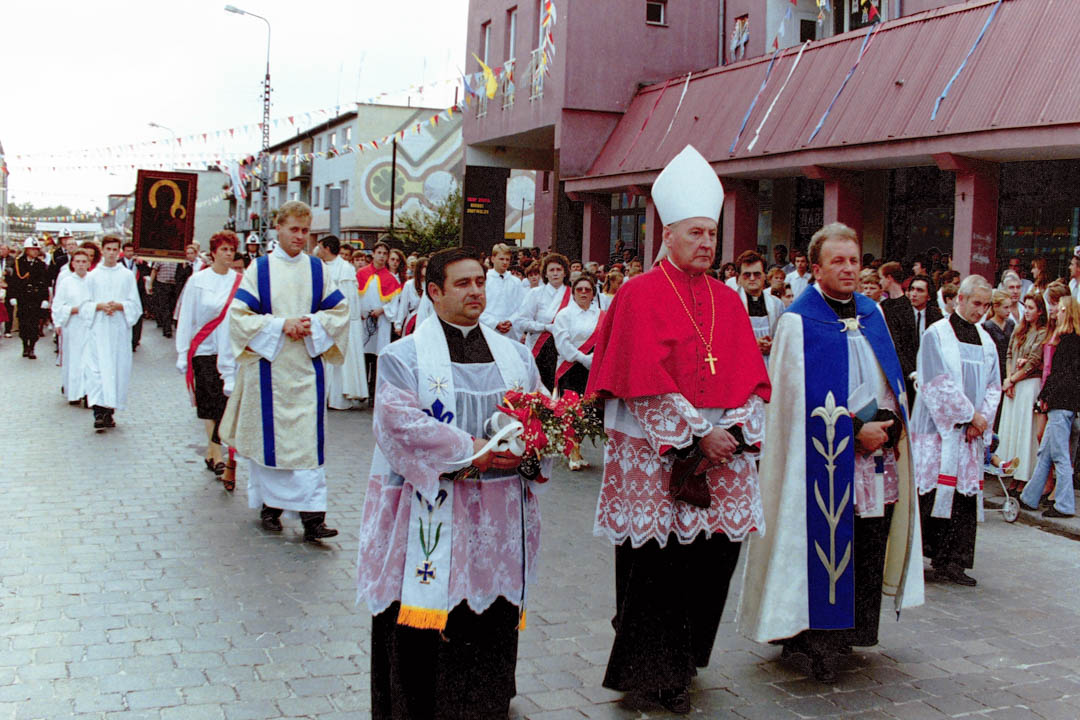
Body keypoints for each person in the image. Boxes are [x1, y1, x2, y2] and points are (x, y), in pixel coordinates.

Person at [586, 146, 771, 713]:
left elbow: (753, 381)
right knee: (657, 566)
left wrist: (734, 433)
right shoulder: (639, 293)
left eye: (712, 234)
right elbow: (639, 379)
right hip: (656, 454)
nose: (707, 243)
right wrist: (695, 437)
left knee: (712, 560)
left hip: (722, 456)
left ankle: (685, 658)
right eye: (696, 233)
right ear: (667, 235)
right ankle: (653, 673)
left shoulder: (728, 300)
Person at [356, 247, 550, 720]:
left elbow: (541, 411)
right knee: (426, 629)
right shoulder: (403, 356)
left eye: (480, 282)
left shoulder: (516, 355)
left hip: (497, 520)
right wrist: (473, 451)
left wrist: (526, 446)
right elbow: (398, 424)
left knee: (488, 623)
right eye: (463, 284)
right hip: (429, 513)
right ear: (434, 292)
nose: (476, 292)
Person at [739, 223, 923, 684]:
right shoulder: (798, 322)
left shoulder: (872, 313)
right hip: (819, 464)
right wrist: (855, 430)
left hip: (873, 460)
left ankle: (851, 631)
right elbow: (793, 406)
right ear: (816, 269)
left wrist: (888, 423)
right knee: (819, 542)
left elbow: (890, 381)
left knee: (866, 541)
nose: (848, 269)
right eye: (837, 261)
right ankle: (814, 641)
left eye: (854, 260)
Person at [218, 201, 349, 542]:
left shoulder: (317, 269)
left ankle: (313, 518)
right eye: (294, 229)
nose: (300, 237)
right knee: (270, 443)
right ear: (278, 228)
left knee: (307, 445)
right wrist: (280, 326)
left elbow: (340, 311)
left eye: (305, 231)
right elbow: (239, 317)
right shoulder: (259, 269)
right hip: (269, 370)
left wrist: (312, 324)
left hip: (306, 370)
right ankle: (270, 508)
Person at [911, 275, 1000, 587]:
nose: (981, 311)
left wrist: (981, 420)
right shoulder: (936, 334)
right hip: (939, 431)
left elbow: (994, 386)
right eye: (976, 303)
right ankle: (918, 556)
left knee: (962, 497)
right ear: (960, 299)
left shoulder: (986, 341)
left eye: (986, 305)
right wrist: (969, 415)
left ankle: (953, 561)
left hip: (969, 435)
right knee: (931, 491)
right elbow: (936, 381)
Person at [175, 232, 241, 487]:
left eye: (232, 250)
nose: (228, 254)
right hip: (203, 349)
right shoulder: (197, 281)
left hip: (230, 352)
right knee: (210, 403)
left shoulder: (240, 281)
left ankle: (214, 453)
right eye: (224, 249)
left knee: (224, 404)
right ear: (213, 252)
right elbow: (186, 317)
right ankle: (217, 455)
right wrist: (182, 352)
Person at [1020, 296, 1080, 518]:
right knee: (1046, 451)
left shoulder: (1067, 342)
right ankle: (1030, 496)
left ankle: (1064, 504)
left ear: (1066, 312)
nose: (1056, 312)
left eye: (1060, 309)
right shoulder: (1073, 341)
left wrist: (1045, 395)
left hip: (1060, 403)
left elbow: (1058, 375)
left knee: (1059, 454)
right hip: (1067, 403)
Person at [83, 236, 143, 430]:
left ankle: (109, 411)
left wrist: (120, 306)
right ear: (102, 250)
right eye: (108, 249)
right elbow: (84, 304)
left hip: (118, 329)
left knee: (116, 370)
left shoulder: (126, 275)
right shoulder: (92, 276)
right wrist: (99, 306)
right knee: (97, 370)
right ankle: (98, 412)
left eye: (114, 249)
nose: (111, 253)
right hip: (99, 329)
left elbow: (135, 304)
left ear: (119, 251)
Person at [997, 293, 1048, 492]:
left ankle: (1024, 476)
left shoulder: (1042, 332)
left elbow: (1033, 362)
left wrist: (1012, 380)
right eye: (1025, 307)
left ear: (1040, 311)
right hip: (1014, 386)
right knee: (1013, 430)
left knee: (1025, 431)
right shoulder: (1019, 329)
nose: (1026, 311)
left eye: (1031, 308)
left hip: (1029, 385)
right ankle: (1012, 472)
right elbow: (1009, 354)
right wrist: (1009, 380)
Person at [553, 274, 604, 471]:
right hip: (570, 368)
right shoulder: (564, 315)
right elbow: (562, 343)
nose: (583, 293)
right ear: (573, 293)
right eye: (579, 289)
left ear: (593, 293)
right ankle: (572, 451)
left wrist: (595, 360)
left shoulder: (601, 315)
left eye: (587, 290)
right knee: (572, 411)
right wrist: (583, 359)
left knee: (588, 411)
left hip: (592, 369)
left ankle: (577, 449)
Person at [316, 235, 366, 411]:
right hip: (323, 319)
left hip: (341, 322)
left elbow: (347, 300)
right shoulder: (321, 267)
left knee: (340, 363)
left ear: (327, 248)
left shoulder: (345, 269)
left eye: (320, 247)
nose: (318, 251)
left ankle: (338, 397)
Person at [882, 274, 942, 407]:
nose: (914, 294)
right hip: (905, 375)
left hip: (929, 376)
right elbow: (897, 347)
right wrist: (912, 373)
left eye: (920, 290)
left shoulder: (936, 317)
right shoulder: (897, 314)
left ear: (929, 296)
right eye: (912, 289)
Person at [515, 252, 571, 391]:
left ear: (565, 272)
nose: (555, 273)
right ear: (545, 274)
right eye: (551, 270)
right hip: (540, 350)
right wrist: (545, 327)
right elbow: (521, 322)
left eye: (559, 269)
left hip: (565, 349)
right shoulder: (535, 293)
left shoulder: (573, 294)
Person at [358, 241, 402, 401]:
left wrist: (382, 310)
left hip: (381, 321)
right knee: (363, 356)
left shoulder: (391, 279)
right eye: (379, 253)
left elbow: (394, 303)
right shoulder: (361, 273)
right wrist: (359, 311)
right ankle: (360, 390)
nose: (382, 256)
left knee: (377, 357)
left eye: (385, 254)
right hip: (364, 321)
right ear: (373, 254)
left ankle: (373, 392)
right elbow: (355, 296)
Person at [51, 248, 93, 405]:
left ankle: (88, 392)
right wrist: (61, 319)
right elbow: (58, 305)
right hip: (72, 325)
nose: (81, 265)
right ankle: (74, 392)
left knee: (88, 359)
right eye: (78, 262)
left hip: (89, 325)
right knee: (73, 359)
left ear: (89, 263)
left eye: (84, 261)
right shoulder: (66, 282)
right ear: (73, 264)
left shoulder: (93, 281)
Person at [735, 250, 784, 363]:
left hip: (770, 362)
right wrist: (752, 344)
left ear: (764, 276)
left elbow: (783, 336)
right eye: (747, 274)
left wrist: (774, 345)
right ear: (739, 278)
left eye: (757, 274)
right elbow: (725, 340)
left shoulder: (776, 304)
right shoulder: (732, 303)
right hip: (743, 362)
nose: (752, 278)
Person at [10, 238, 51, 359]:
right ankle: (25, 346)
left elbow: (44, 282)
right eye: (32, 249)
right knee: (23, 323)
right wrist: (12, 296)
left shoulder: (41, 264)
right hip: (23, 297)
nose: (35, 251)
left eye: (37, 249)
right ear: (26, 250)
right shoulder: (18, 263)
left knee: (34, 324)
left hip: (35, 298)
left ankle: (32, 347)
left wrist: (45, 298)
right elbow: (13, 282)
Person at [480, 243, 525, 341]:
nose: (504, 262)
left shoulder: (516, 282)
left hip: (511, 330)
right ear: (493, 259)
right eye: (501, 259)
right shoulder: (484, 280)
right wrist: (494, 323)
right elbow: (479, 307)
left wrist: (511, 321)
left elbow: (522, 307)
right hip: (488, 328)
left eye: (507, 259)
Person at [120, 242, 147, 352]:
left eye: (132, 251)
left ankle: (135, 340)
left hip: (138, 291)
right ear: (123, 251)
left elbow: (146, 272)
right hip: (124, 292)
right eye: (127, 251)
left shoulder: (140, 262)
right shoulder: (119, 263)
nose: (130, 253)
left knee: (137, 314)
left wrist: (140, 264)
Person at [149, 258, 181, 338]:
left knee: (171, 307)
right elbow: (154, 271)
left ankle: (166, 323)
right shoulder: (160, 259)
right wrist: (150, 284)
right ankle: (167, 329)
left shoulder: (177, 260)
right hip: (162, 284)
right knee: (164, 306)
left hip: (173, 285)